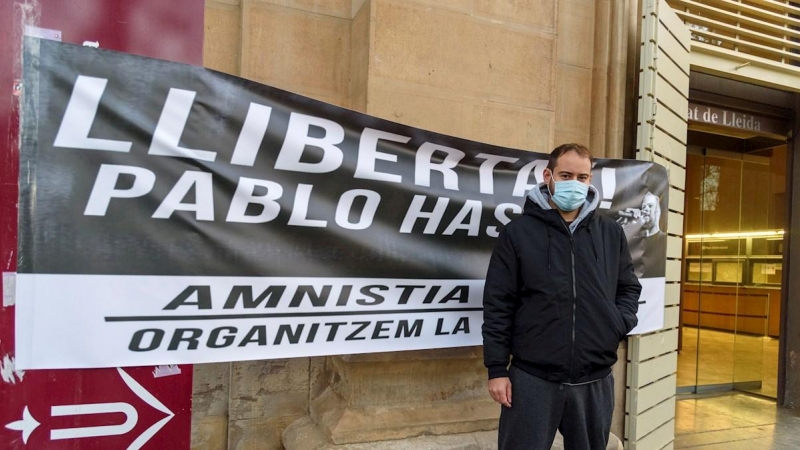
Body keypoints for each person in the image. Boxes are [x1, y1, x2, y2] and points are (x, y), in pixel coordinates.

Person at [482, 143, 642, 450]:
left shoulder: (609, 232)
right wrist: (497, 369)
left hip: (594, 380)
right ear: (548, 176)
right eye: (566, 174)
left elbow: (628, 288)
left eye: (582, 177)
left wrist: (616, 324)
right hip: (532, 379)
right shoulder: (518, 233)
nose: (575, 183)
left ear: (590, 180)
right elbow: (498, 303)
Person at [618, 192, 667, 278]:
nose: (646, 209)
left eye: (650, 206)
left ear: (657, 212)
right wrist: (627, 224)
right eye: (644, 207)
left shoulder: (663, 238)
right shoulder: (636, 239)